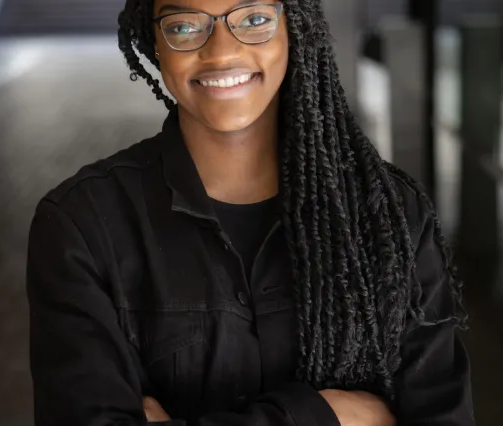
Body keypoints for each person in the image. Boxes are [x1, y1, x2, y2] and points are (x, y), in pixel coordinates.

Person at [26, 0, 475, 425]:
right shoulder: (82, 226)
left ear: (294, 27)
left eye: (255, 18)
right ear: (154, 41)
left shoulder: (388, 214)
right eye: (185, 25)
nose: (221, 52)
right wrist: (321, 417)